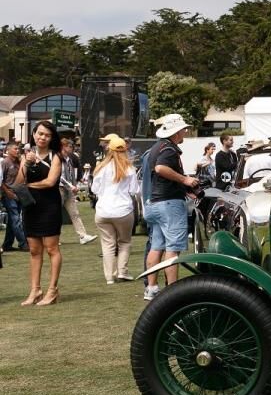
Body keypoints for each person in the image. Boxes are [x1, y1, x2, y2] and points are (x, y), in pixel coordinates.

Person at [143, 114, 199, 301]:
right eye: (184, 129)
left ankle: (151, 288)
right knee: (173, 249)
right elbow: (161, 169)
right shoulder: (169, 149)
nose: (186, 132)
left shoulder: (156, 147)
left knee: (156, 246)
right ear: (176, 132)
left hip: (155, 202)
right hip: (169, 204)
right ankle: (173, 292)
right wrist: (185, 180)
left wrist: (184, 188)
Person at [15, 121, 65, 306]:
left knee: (52, 249)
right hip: (31, 207)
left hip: (49, 207)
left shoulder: (55, 156)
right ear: (34, 134)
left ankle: (52, 290)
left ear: (52, 138)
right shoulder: (27, 155)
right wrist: (26, 164)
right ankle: (35, 290)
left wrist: (28, 186)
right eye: (40, 133)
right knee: (34, 250)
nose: (42, 137)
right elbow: (18, 182)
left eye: (47, 135)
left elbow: (50, 182)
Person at [91, 136, 138, 284]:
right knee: (124, 242)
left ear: (109, 150)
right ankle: (122, 272)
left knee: (108, 244)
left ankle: (109, 277)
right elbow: (134, 190)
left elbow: (94, 189)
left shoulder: (101, 167)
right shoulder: (129, 168)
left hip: (103, 211)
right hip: (123, 210)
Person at [58, 138, 97, 244]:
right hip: (59, 189)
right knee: (56, 214)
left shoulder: (70, 159)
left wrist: (74, 186)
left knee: (75, 213)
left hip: (69, 190)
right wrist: (71, 186)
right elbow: (59, 176)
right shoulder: (57, 158)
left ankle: (83, 235)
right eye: (69, 146)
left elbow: (72, 174)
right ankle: (55, 237)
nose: (71, 148)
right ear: (63, 147)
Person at [1, 139, 29, 253]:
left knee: (13, 221)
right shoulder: (5, 163)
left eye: (18, 149)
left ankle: (7, 244)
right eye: (15, 149)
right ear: (8, 150)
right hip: (9, 194)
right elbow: (1, 180)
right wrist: (7, 192)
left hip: (19, 193)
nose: (18, 150)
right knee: (16, 219)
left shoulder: (19, 162)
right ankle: (23, 243)